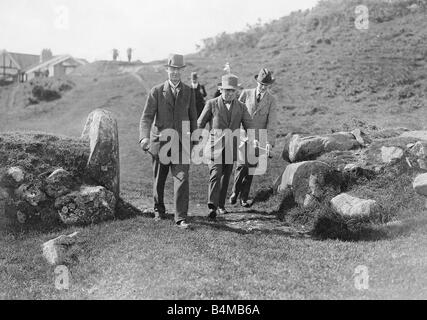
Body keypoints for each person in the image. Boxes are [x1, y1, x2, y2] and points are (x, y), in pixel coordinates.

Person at [139, 53, 198, 229]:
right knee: (159, 179)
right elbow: (146, 117)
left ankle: (180, 217)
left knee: (182, 178)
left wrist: (195, 137)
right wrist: (144, 137)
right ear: (167, 70)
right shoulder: (156, 91)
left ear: (182, 72)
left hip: (181, 144)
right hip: (160, 143)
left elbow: (193, 117)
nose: (174, 73)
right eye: (172, 70)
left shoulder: (189, 91)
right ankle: (159, 210)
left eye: (178, 70)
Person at [197, 74, 253, 220]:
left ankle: (221, 205)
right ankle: (212, 206)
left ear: (236, 92)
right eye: (226, 90)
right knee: (215, 174)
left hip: (231, 148)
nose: (229, 93)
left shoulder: (241, 107)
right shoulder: (211, 104)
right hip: (214, 147)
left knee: (226, 177)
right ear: (220, 90)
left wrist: (253, 138)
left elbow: (250, 125)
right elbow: (200, 123)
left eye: (232, 91)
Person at [230, 68, 278, 207]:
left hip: (260, 138)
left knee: (251, 167)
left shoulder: (271, 100)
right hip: (244, 135)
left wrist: (269, 142)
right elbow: (236, 113)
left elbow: (272, 122)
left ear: (269, 86)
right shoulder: (245, 94)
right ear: (257, 82)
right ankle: (235, 191)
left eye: (266, 85)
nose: (263, 87)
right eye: (261, 84)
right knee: (242, 164)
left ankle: (243, 198)